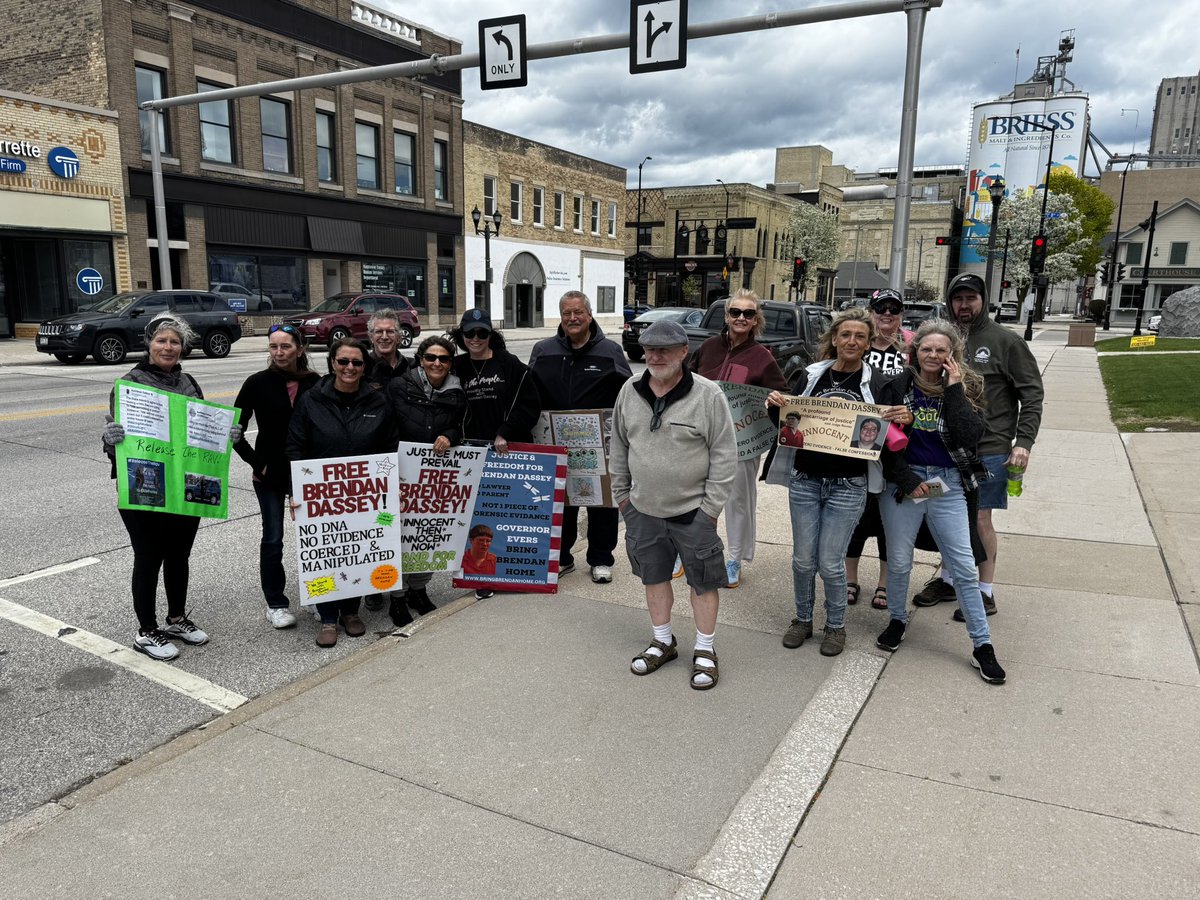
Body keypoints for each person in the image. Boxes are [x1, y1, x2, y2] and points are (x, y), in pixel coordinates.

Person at [765, 308, 911, 657]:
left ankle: (835, 625)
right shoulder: (810, 376)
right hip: (805, 479)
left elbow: (894, 430)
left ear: (868, 343)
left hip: (848, 484)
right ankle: (802, 619)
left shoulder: (879, 383)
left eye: (860, 336)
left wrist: (905, 418)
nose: (851, 341)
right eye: (845, 335)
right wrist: (776, 407)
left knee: (831, 562)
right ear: (833, 338)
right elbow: (788, 426)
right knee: (802, 559)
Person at [874, 321, 1008, 684]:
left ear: (953, 354)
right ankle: (898, 620)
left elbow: (970, 436)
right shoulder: (895, 386)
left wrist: (953, 392)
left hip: (948, 483)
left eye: (941, 350)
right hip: (904, 483)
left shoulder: (968, 386)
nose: (933, 355)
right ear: (915, 352)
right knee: (899, 561)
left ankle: (982, 645)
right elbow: (879, 440)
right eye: (926, 349)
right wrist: (907, 479)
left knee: (963, 564)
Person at [102, 314, 240, 661]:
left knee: (179, 555)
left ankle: (176, 618)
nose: (168, 347)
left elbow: (201, 432)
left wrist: (226, 436)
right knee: (149, 557)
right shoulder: (129, 383)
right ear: (148, 343)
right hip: (143, 486)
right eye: (161, 340)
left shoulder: (189, 382)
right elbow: (118, 442)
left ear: (183, 347)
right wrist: (109, 439)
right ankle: (146, 631)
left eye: (174, 341)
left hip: (184, 485)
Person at [610, 319, 736, 690]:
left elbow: (725, 456)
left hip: (694, 512)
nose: (655, 356)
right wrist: (623, 499)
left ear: (684, 352)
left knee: (702, 582)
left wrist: (710, 510)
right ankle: (663, 641)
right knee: (653, 577)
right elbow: (618, 445)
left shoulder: (708, 395)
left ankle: (705, 648)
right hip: (642, 511)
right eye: (650, 349)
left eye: (665, 349)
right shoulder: (629, 391)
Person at [914, 273, 1044, 619]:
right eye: (958, 298)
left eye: (971, 298)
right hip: (946, 446)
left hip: (990, 447)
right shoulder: (942, 340)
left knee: (980, 517)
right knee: (945, 516)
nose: (964, 305)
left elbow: (1032, 395)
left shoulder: (1006, 342)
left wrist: (1024, 442)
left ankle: (985, 590)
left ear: (983, 300)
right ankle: (948, 579)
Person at [286, 337, 397, 647]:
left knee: (357, 550)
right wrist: (298, 490)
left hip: (364, 495)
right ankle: (327, 617)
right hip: (322, 495)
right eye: (343, 361)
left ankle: (350, 611)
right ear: (332, 363)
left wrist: (387, 486)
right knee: (325, 553)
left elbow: (390, 445)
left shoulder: (378, 401)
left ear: (365, 367)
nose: (349, 367)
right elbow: (295, 446)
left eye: (357, 363)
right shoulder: (311, 399)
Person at [528, 290, 632, 584]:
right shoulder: (543, 350)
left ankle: (601, 558)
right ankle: (562, 557)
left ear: (589, 315)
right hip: (555, 442)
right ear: (560, 317)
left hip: (600, 442)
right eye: (566, 313)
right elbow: (528, 392)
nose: (572, 318)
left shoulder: (609, 351)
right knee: (561, 502)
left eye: (578, 313)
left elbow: (629, 394)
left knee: (602, 503)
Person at [690, 289, 787, 588]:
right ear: (726, 315)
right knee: (694, 496)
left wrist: (775, 400)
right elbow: (687, 382)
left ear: (756, 319)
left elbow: (782, 399)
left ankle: (734, 557)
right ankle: (689, 549)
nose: (741, 318)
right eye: (735, 312)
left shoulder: (762, 358)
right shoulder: (707, 347)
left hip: (742, 442)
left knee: (738, 502)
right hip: (701, 438)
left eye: (748, 313)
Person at [233, 324, 320, 630]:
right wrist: (258, 464)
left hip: (307, 473)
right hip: (269, 474)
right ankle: (276, 604)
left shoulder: (315, 383)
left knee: (317, 538)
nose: (280, 352)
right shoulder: (257, 382)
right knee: (273, 538)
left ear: (300, 348)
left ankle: (319, 595)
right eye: (274, 347)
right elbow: (235, 432)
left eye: (285, 346)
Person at [386, 335, 466, 624]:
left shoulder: (457, 392)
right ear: (420, 360)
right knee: (400, 537)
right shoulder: (399, 386)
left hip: (436, 475)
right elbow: (386, 423)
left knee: (429, 535)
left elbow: (459, 426)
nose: (437, 363)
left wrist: (450, 436)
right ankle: (397, 598)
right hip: (402, 473)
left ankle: (418, 589)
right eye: (430, 357)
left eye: (443, 359)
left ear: (450, 363)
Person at [845, 288, 913, 611]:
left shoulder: (911, 349)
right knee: (858, 514)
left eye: (894, 309)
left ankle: (884, 584)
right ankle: (850, 578)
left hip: (897, 446)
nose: (887, 314)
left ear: (901, 314)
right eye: (880, 308)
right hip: (860, 441)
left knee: (890, 518)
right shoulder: (859, 344)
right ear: (871, 311)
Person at [449, 307, 541, 452]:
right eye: (470, 333)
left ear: (490, 335)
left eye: (482, 333)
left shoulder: (509, 363)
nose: (475, 338)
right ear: (462, 335)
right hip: (470, 448)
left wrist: (506, 432)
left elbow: (530, 404)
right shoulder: (455, 367)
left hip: (507, 447)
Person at [365, 308, 410, 389]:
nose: (384, 337)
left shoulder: (411, 366)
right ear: (371, 337)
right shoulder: (363, 368)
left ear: (398, 337)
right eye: (379, 332)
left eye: (390, 331)